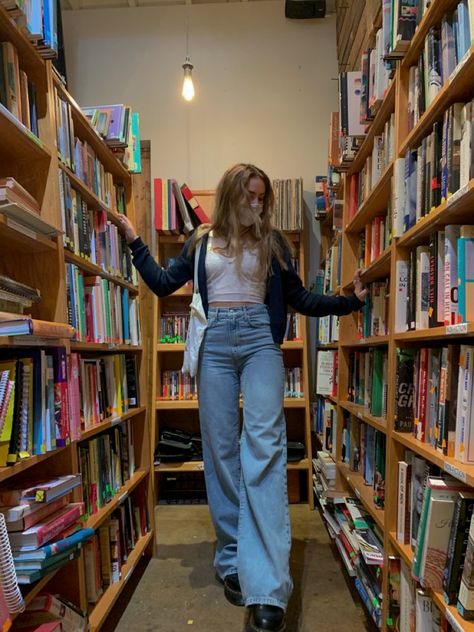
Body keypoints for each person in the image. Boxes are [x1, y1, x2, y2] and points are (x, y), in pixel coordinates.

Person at [118, 163, 367, 632]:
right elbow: (161, 283)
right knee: (220, 448)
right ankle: (232, 556)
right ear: (232, 196)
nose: (257, 205)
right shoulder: (200, 242)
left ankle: (268, 585)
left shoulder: (273, 244)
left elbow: (301, 299)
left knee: (266, 451)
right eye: (250, 196)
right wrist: (134, 240)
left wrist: (348, 301)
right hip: (213, 345)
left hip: (259, 342)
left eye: (263, 198)